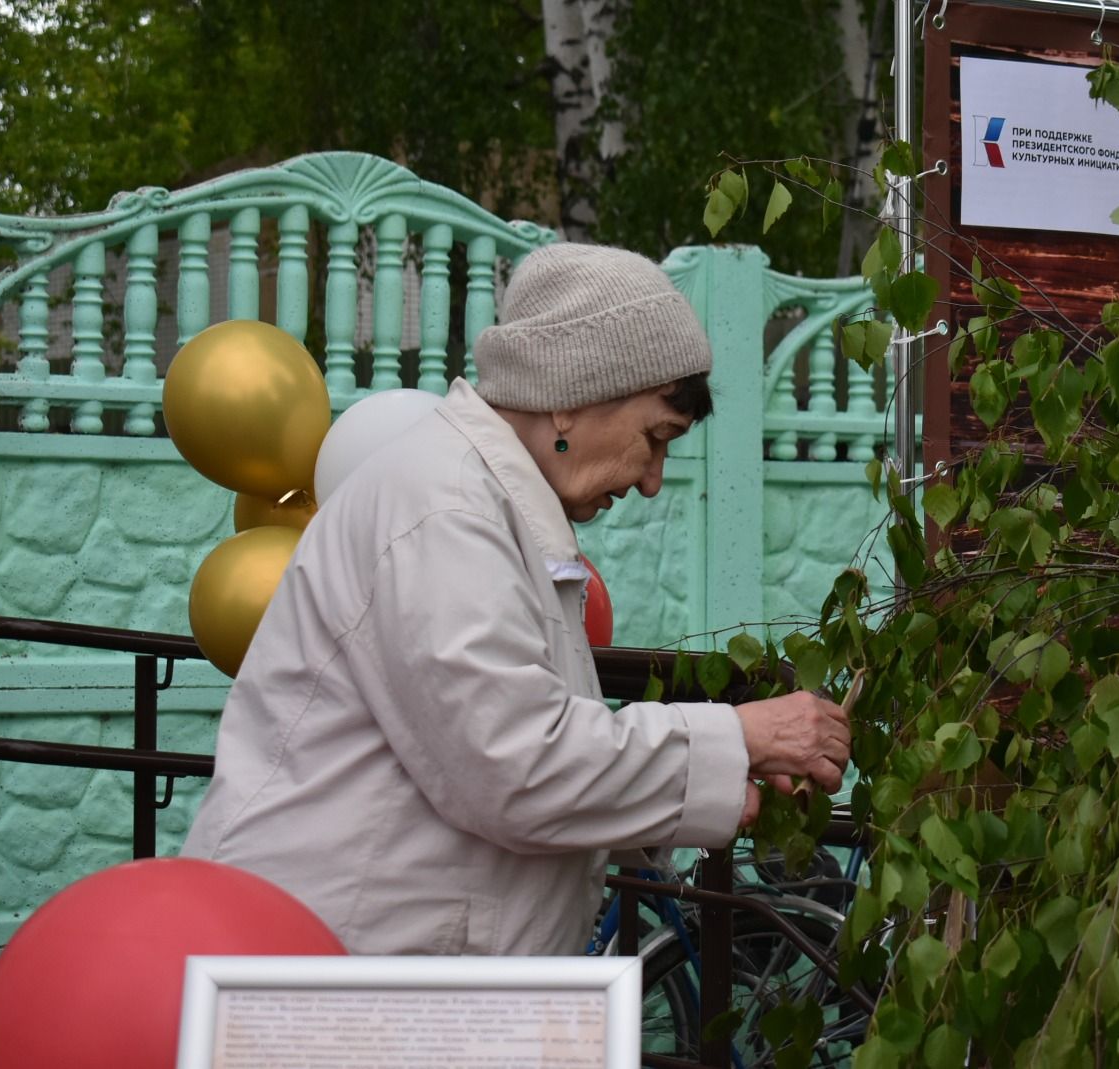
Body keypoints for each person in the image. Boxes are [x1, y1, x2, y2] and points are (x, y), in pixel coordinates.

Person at [180, 242, 851, 955]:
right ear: (570, 394)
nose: (653, 478)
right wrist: (738, 737)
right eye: (655, 438)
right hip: (335, 967)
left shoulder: (479, 502)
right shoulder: (445, 509)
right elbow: (517, 765)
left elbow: (521, 756)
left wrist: (726, 776)